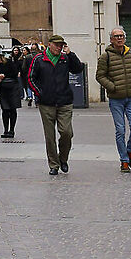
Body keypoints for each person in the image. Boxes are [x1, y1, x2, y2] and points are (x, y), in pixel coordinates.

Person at [29, 35, 86, 176]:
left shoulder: (65, 58)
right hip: (46, 103)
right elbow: (30, 77)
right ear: (50, 44)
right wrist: (39, 93)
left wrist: (71, 54)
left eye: (61, 45)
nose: (59, 48)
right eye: (57, 45)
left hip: (64, 101)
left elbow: (78, 69)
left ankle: (63, 159)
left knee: (67, 133)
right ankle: (54, 164)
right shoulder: (39, 59)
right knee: (50, 136)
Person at [96, 27, 131, 172]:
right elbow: (99, 76)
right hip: (116, 99)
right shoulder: (106, 56)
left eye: (121, 36)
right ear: (111, 39)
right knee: (120, 130)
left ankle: (130, 150)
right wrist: (112, 87)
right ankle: (124, 160)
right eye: (116, 36)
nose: (119, 38)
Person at [0, 42, 26, 142]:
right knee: (5, 110)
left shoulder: (8, 62)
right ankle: (5, 130)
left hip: (12, 88)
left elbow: (15, 73)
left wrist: (4, 76)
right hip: (3, 89)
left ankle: (12, 130)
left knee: (12, 110)